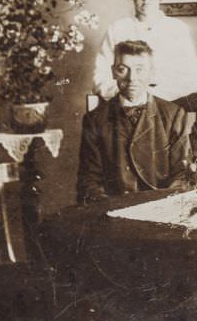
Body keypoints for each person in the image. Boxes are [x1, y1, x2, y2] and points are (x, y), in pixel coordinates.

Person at [77, 40, 190, 203]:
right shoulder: (95, 119)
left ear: (151, 73)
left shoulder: (174, 115)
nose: (132, 78)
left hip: (161, 206)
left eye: (139, 70)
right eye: (123, 69)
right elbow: (89, 179)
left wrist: (164, 203)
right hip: (115, 208)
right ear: (114, 72)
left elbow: (182, 173)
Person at [93, 0, 197, 101]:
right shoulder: (118, 29)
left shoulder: (178, 29)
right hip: (124, 104)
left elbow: (191, 79)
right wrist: (128, 95)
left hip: (168, 105)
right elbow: (100, 76)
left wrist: (150, 96)